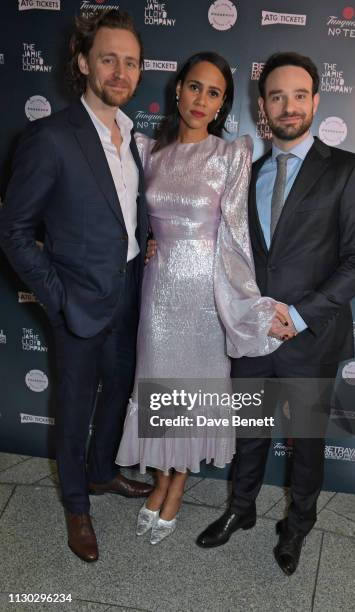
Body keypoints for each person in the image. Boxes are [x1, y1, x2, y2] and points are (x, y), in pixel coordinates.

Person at [196, 52, 355, 575]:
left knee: (306, 443)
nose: (289, 106)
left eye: (300, 95)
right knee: (250, 430)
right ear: (262, 106)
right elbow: (230, 254)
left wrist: (297, 317)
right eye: (278, 96)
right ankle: (241, 509)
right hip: (253, 334)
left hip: (310, 337)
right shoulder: (244, 174)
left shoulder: (348, 170)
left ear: (316, 102)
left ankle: (296, 526)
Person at [116, 51, 292, 545]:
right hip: (158, 292)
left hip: (204, 296)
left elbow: (235, 236)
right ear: (178, 90)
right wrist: (146, 238)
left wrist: (247, 304)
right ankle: (160, 479)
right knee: (158, 387)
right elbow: (131, 215)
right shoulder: (148, 150)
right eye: (195, 87)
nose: (201, 99)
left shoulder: (229, 155)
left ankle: (176, 486)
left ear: (221, 105)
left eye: (214, 93)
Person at [0, 10, 153, 563]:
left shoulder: (135, 137)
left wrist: (144, 243)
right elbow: (14, 232)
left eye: (130, 62)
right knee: (73, 404)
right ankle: (74, 504)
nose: (120, 71)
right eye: (108, 58)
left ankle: (102, 472)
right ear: (84, 62)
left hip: (130, 292)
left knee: (117, 392)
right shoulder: (50, 137)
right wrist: (57, 297)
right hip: (77, 304)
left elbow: (123, 214)